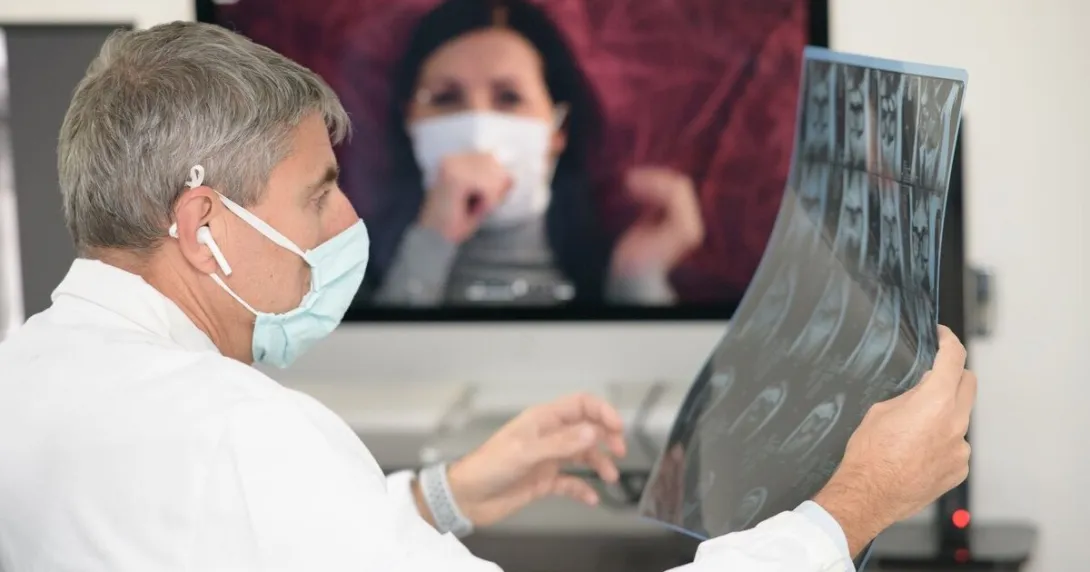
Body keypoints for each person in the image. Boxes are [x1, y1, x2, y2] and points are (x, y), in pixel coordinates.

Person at [0, 22, 976, 572]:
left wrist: (445, 494)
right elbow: (255, 495)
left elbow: (252, 536)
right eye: (317, 194)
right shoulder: (243, 431)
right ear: (203, 225)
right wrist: (849, 508)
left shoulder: (27, 374)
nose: (345, 222)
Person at [368, 0, 705, 307]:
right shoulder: (349, 269)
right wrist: (433, 237)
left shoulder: (605, 277)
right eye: (445, 98)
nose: (478, 128)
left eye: (509, 98)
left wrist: (637, 281)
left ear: (559, 127)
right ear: (409, 122)